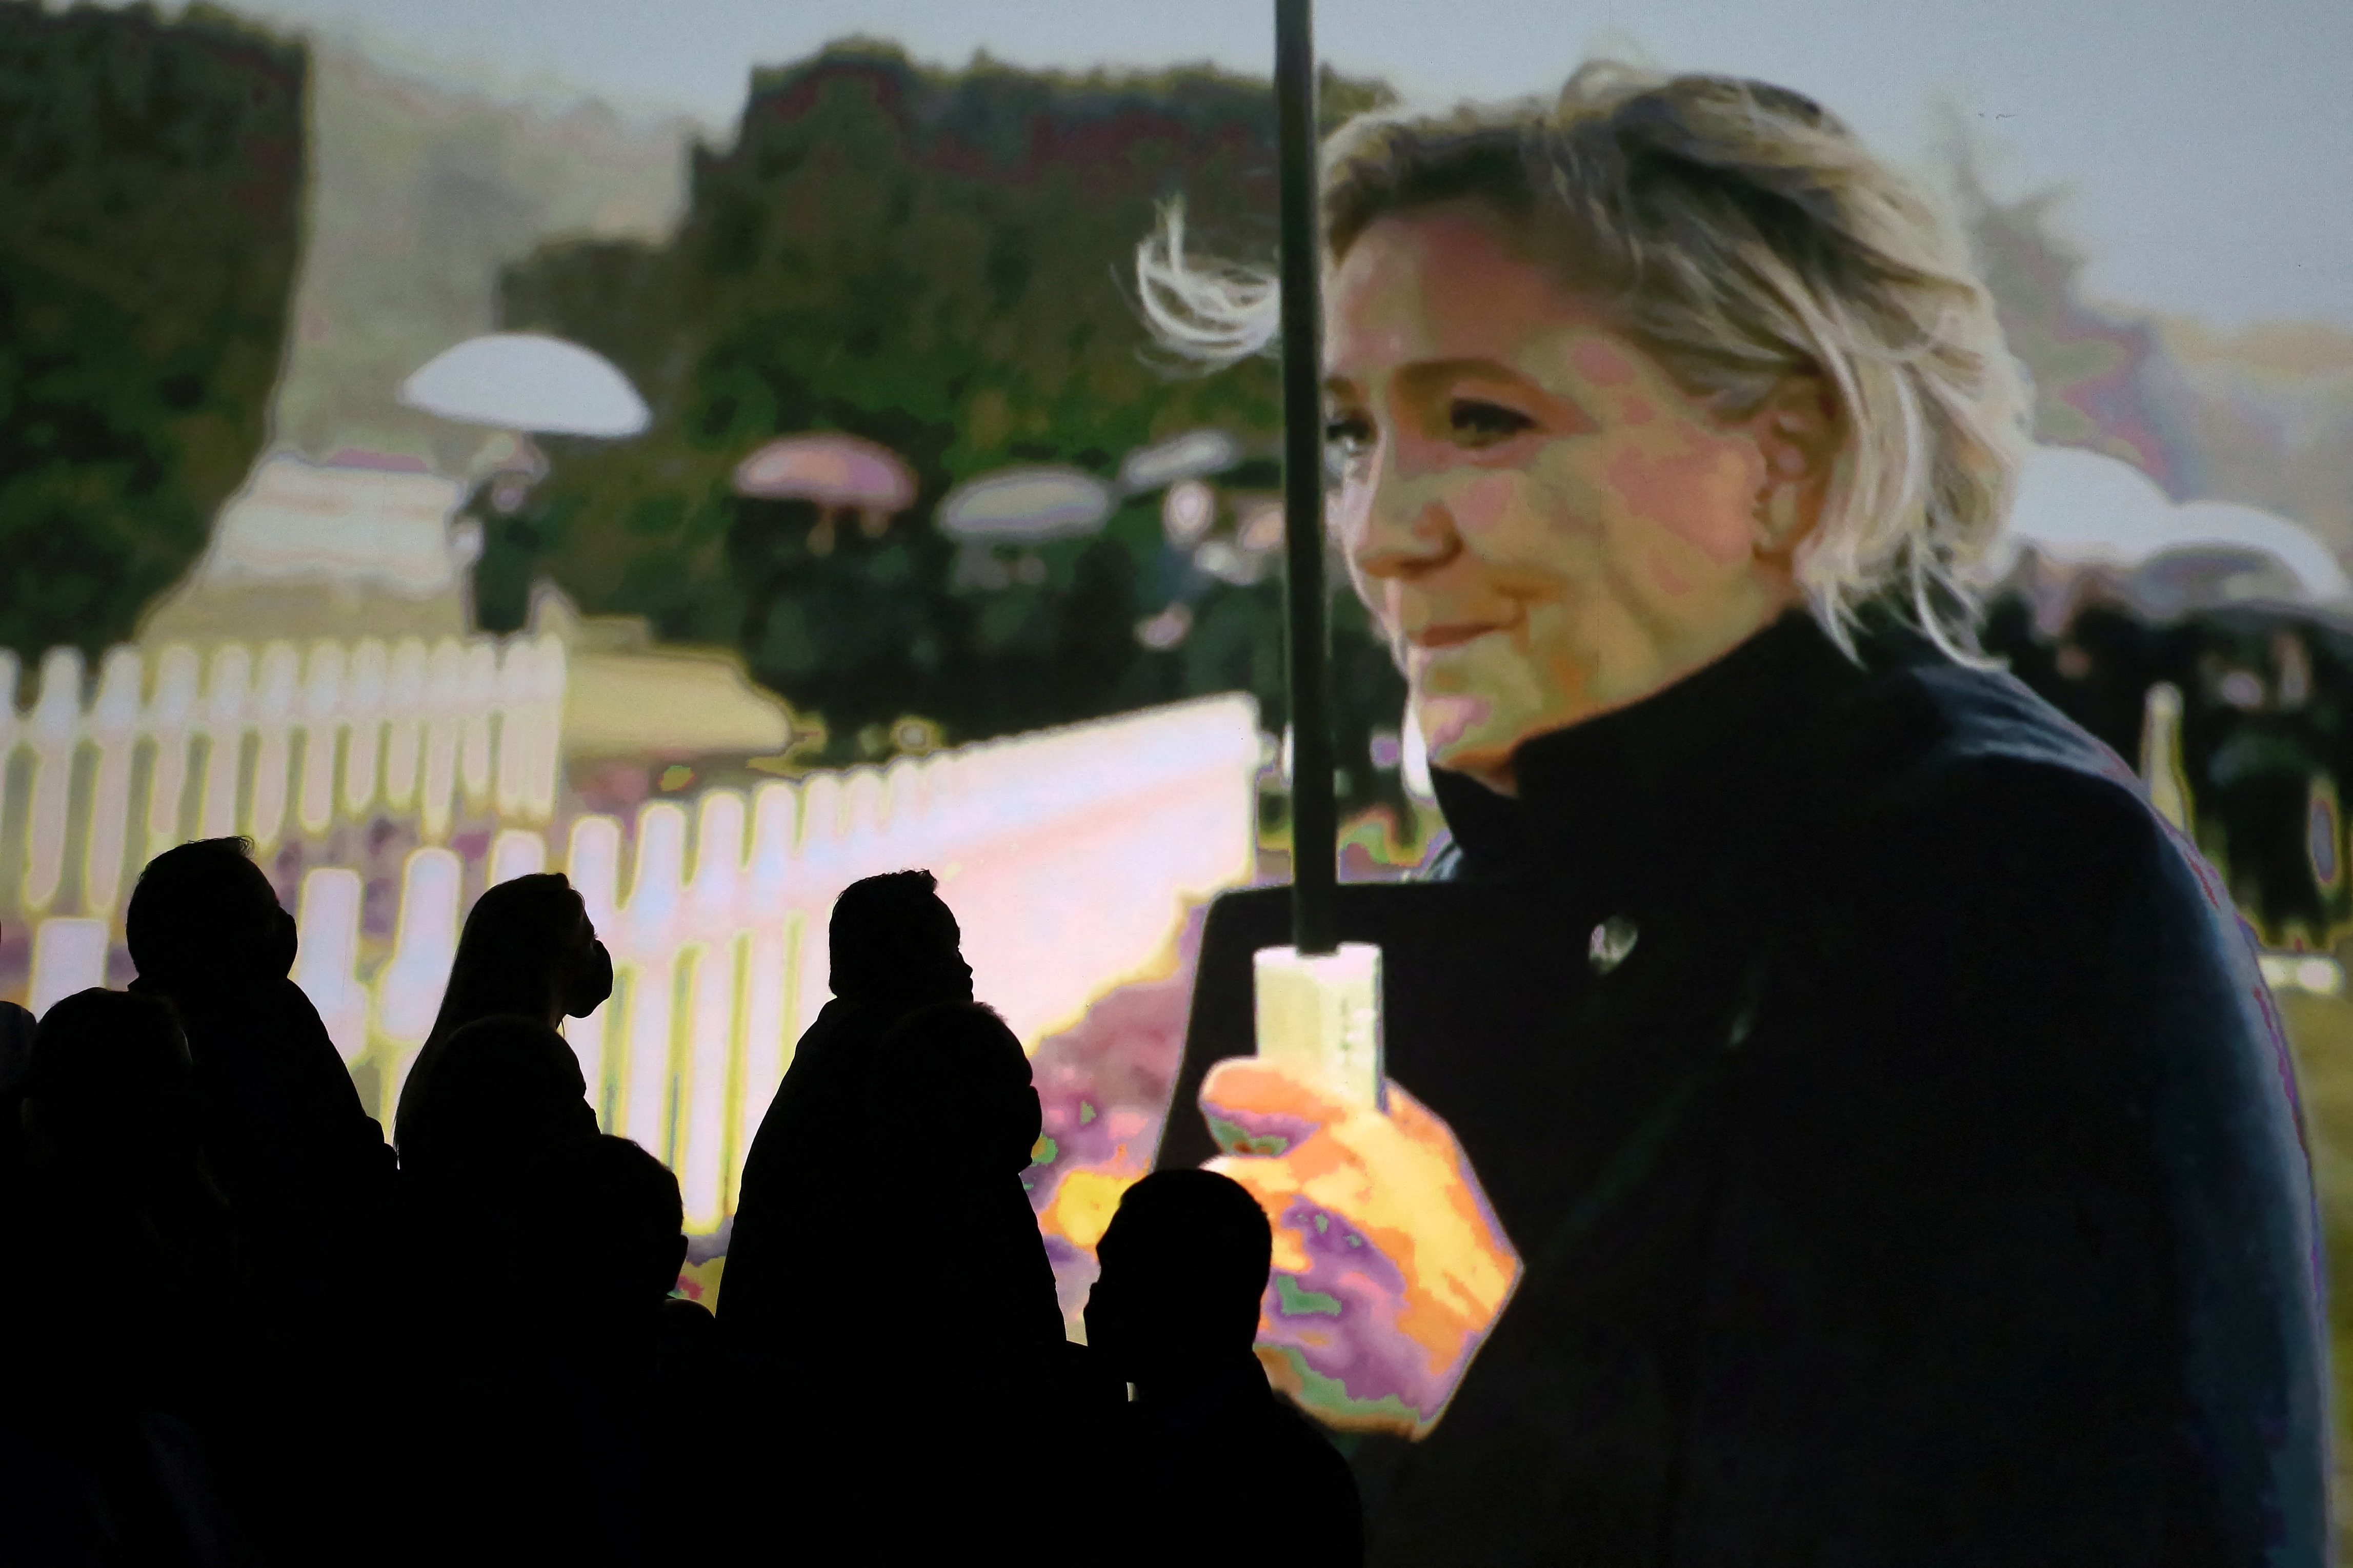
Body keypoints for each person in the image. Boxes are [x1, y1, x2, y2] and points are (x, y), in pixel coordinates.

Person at [1144, 63, 2327, 1562]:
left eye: (1481, 418)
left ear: (1784, 460)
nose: (1378, 531)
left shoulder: (2000, 882)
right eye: (1349, 435)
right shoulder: (1538, 864)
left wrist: (1464, 1349)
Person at [717, 869, 975, 1362]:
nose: (964, 971)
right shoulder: (885, 1073)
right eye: (943, 951)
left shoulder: (840, 1055)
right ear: (895, 962)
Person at [1084, 1170, 1363, 1568]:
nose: (1102, 1293)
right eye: (1107, 1269)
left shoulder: (1297, 1488)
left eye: (1126, 1272)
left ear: (1195, 1295)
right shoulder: (1304, 1474)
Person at [393, 871, 612, 1155]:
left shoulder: (455, 1057)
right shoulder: (526, 1059)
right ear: (548, 959)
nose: (600, 952)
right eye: (588, 940)